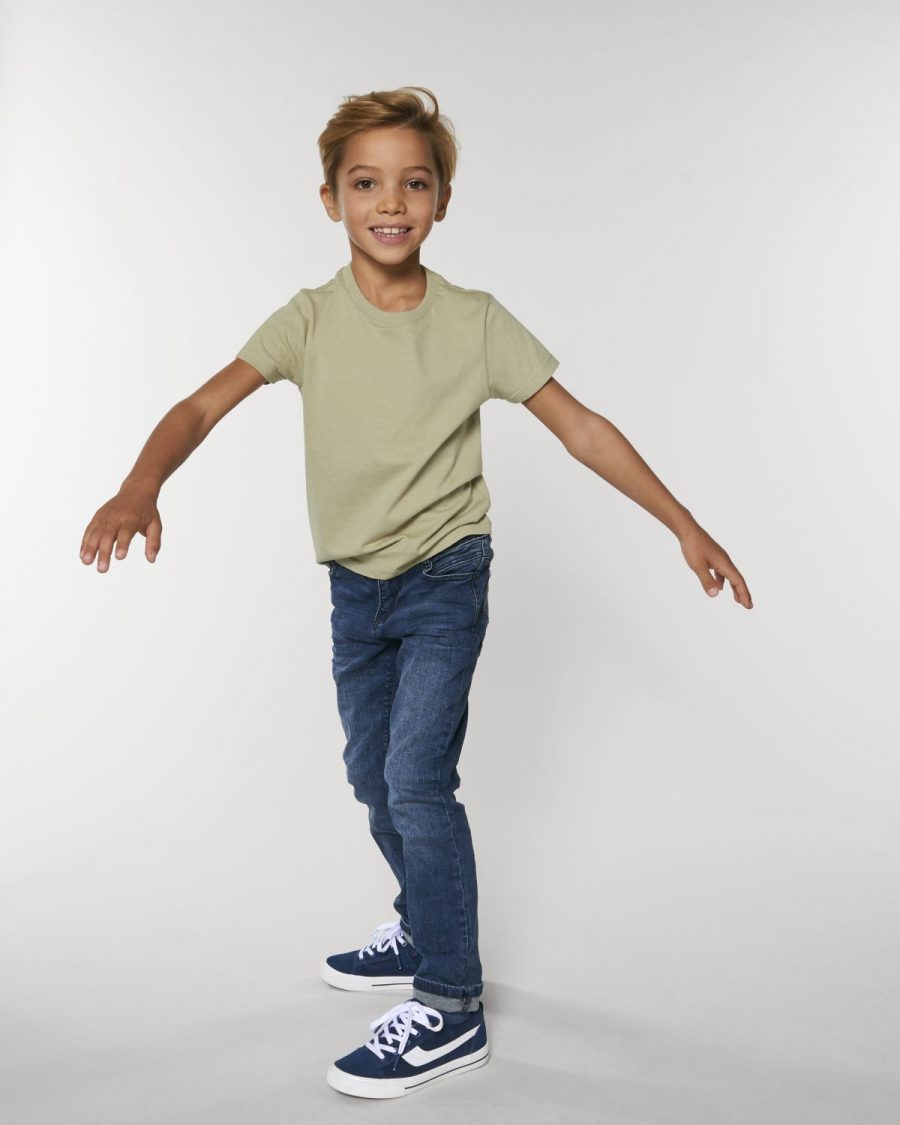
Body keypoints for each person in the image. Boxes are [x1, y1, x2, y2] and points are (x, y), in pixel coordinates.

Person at [78, 86, 753, 1099]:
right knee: (371, 777)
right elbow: (198, 407)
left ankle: (450, 1003)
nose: (390, 202)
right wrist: (142, 483)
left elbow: (581, 427)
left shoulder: (475, 323)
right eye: (366, 183)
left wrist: (683, 522)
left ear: (442, 199)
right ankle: (422, 918)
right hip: (357, 590)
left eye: (414, 183)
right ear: (330, 200)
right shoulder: (308, 319)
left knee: (417, 780)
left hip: (445, 576)